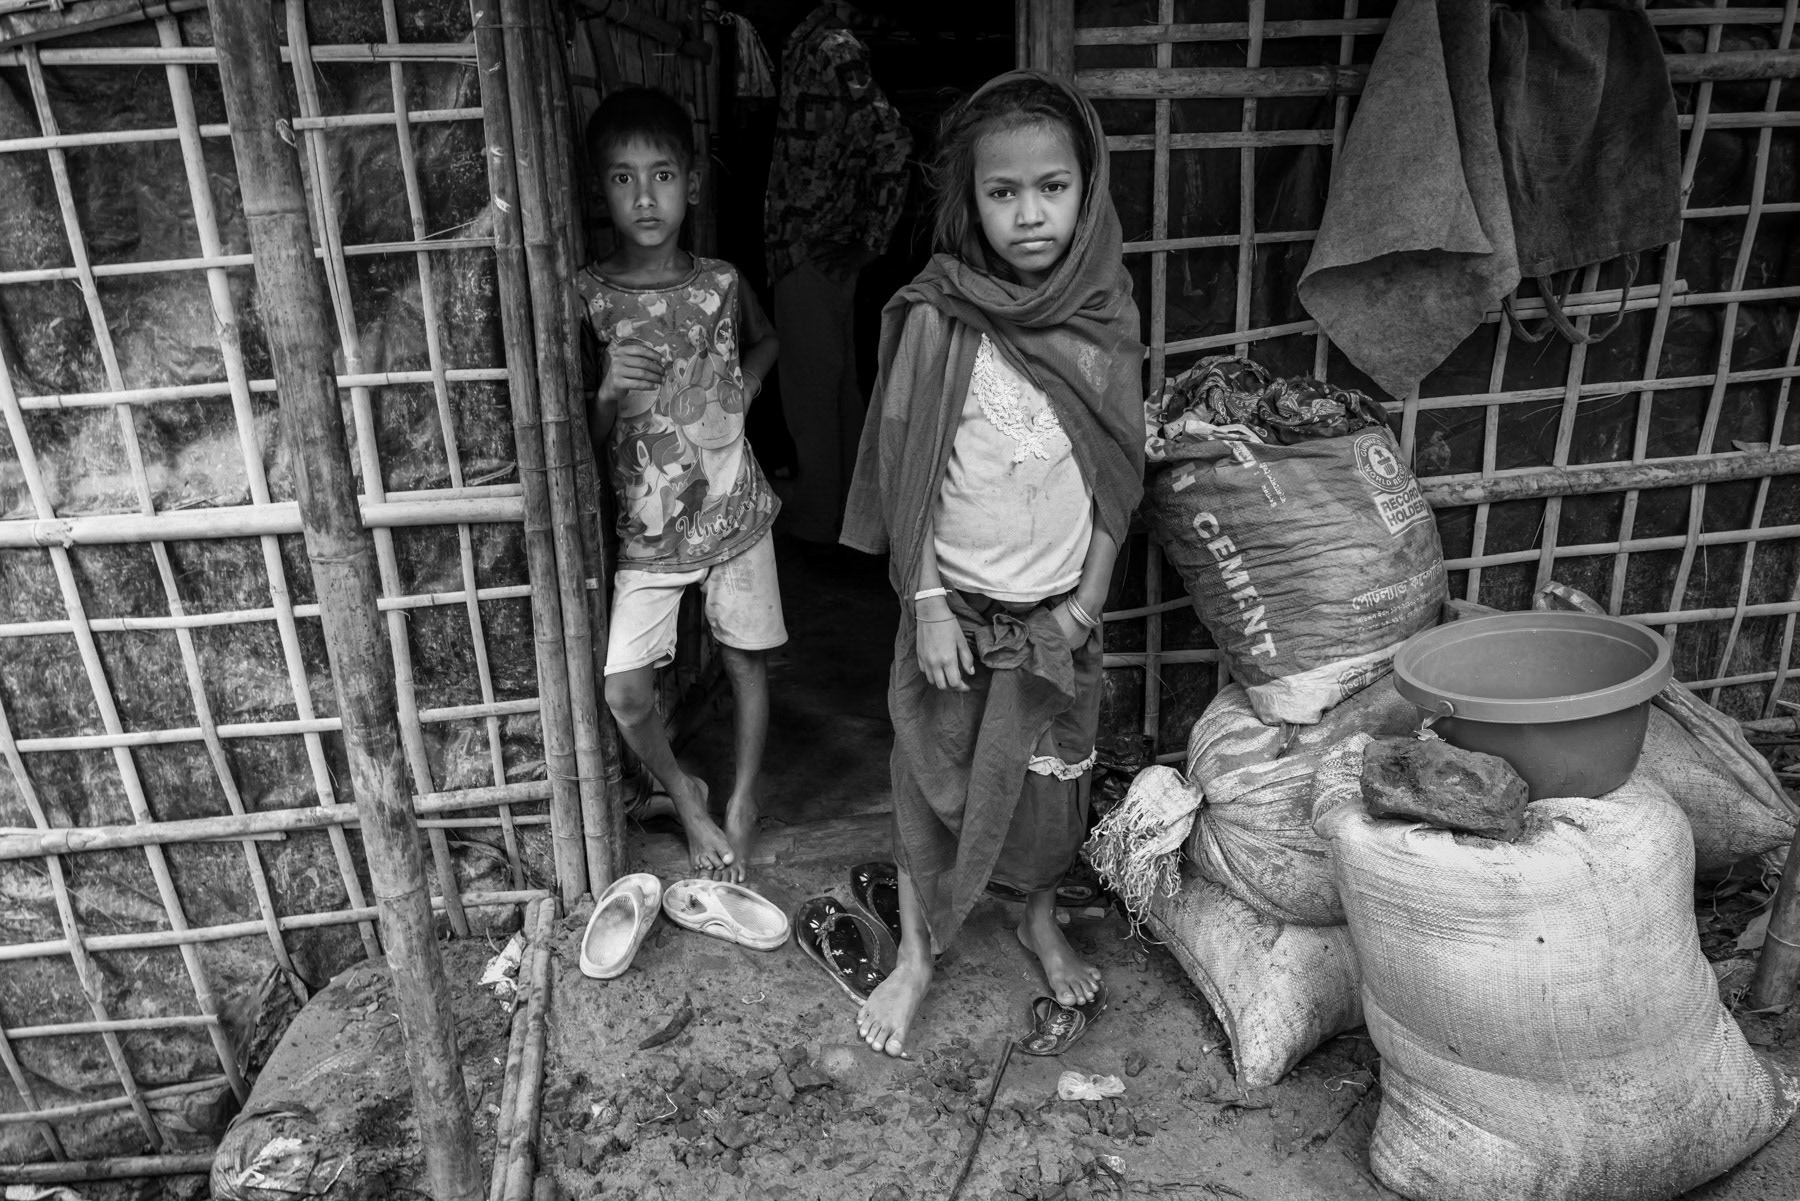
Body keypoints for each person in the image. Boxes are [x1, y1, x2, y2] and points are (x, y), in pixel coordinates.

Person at [839, 72, 1146, 1056]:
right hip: (957, 612)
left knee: (1052, 794)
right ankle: (921, 952)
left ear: (1086, 190)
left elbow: (1118, 479)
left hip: (1058, 619)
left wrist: (1087, 606)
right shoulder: (941, 319)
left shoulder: (1104, 321)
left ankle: (1037, 910)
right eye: (1002, 192)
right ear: (969, 203)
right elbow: (905, 473)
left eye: (1051, 187)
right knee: (933, 782)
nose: (1029, 213)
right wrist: (926, 603)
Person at [579, 87, 783, 883]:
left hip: (733, 507)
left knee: (746, 661)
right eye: (624, 179)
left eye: (661, 176)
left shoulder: (722, 284)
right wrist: (602, 395)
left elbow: (765, 343)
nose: (644, 196)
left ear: (690, 185)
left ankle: (740, 800)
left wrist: (752, 385)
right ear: (602, 191)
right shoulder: (590, 296)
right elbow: (584, 443)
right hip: (650, 526)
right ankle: (686, 800)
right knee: (625, 691)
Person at [764, 0, 912, 546]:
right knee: (835, 390)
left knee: (812, 394)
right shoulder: (815, 45)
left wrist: (872, 242)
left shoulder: (831, 48)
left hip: (814, 246)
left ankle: (820, 521)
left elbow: (893, 140)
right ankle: (847, 520)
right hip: (812, 245)